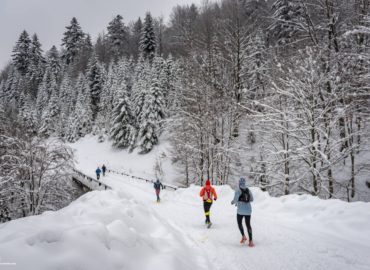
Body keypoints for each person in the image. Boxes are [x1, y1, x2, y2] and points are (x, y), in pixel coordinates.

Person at [231, 177, 254, 247]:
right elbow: (252, 199)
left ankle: (243, 236)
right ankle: (250, 241)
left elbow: (235, 200)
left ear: (239, 183)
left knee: (239, 223)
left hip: (240, 211)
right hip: (248, 210)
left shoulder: (238, 190)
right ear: (244, 183)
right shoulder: (248, 190)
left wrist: (233, 202)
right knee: (248, 225)